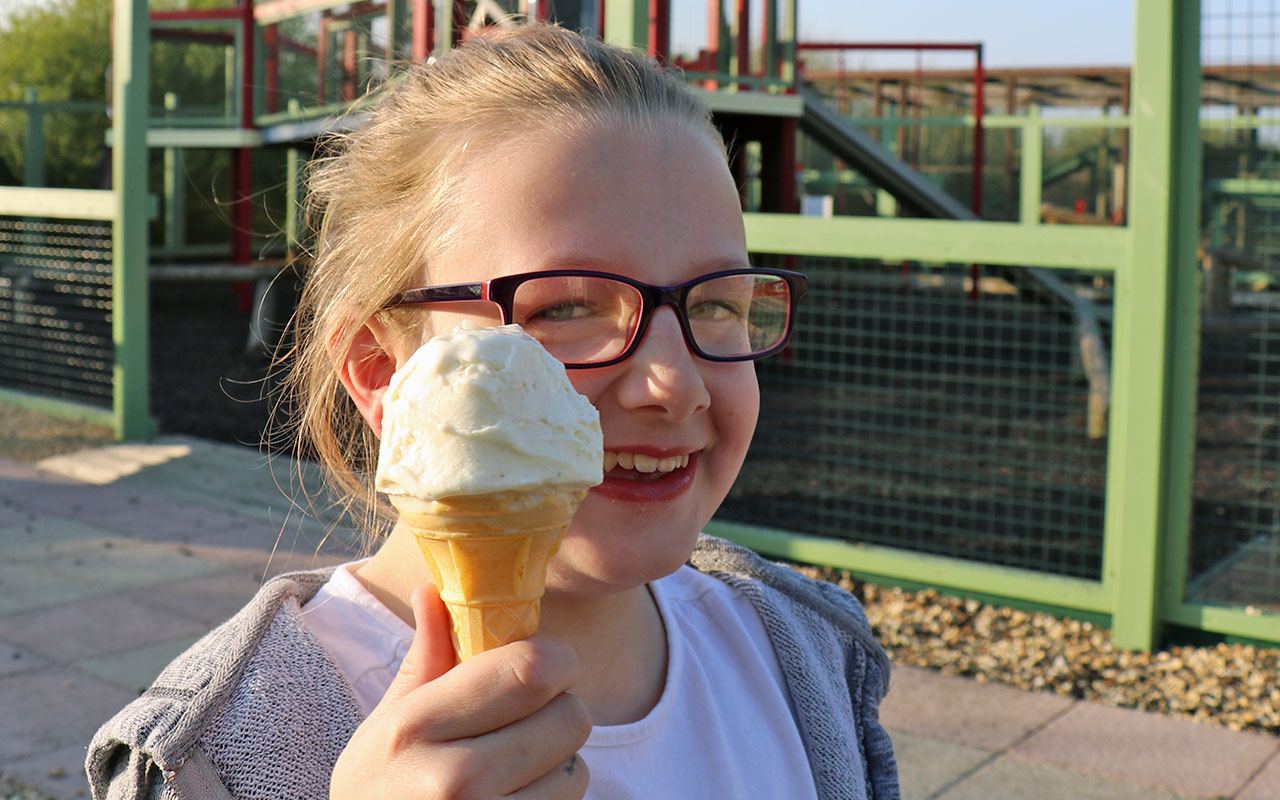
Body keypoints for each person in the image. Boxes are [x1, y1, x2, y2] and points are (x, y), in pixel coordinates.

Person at [87, 24, 899, 800]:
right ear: (381, 373)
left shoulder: (807, 655)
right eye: (568, 306)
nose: (674, 385)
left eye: (717, 303)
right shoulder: (214, 757)